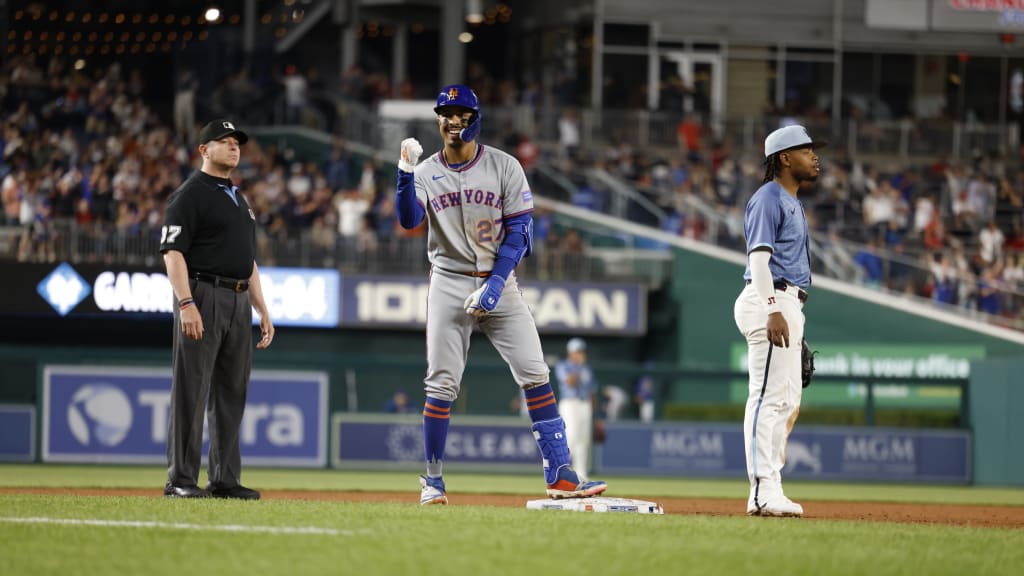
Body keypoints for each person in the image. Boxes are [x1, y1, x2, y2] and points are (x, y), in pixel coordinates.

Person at [395, 84, 607, 505]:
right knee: (441, 383)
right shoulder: (425, 172)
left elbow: (521, 232)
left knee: (535, 372)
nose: (453, 121)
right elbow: (408, 220)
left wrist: (494, 285)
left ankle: (560, 474)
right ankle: (433, 481)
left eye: (461, 114)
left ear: (475, 119)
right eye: (446, 114)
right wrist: (404, 173)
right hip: (449, 280)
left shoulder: (505, 165)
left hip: (500, 280)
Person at [159, 119, 275, 500]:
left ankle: (224, 479)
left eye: (236, 142)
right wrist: (186, 302)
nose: (233, 146)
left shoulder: (237, 197)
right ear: (203, 150)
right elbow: (172, 253)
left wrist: (262, 308)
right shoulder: (189, 194)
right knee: (192, 390)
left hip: (238, 298)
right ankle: (180, 479)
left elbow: (248, 259)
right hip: (203, 294)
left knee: (231, 392)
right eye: (223, 141)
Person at [734, 124, 824, 518]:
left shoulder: (790, 200)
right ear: (785, 158)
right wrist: (773, 308)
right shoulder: (769, 198)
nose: (814, 157)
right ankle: (760, 491)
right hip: (769, 297)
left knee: (786, 402)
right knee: (767, 398)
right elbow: (758, 260)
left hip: (788, 302)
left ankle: (772, 488)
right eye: (806, 150)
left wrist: (788, 314)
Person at [554, 338, 597, 477]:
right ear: (570, 352)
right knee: (571, 436)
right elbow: (570, 382)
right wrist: (578, 367)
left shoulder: (587, 368)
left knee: (583, 439)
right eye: (578, 351)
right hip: (569, 403)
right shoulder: (563, 366)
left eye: (582, 351)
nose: (581, 354)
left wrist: (595, 412)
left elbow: (592, 390)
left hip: (585, 404)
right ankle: (561, 473)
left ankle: (581, 475)